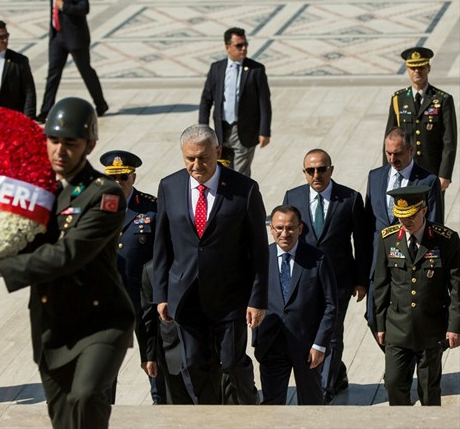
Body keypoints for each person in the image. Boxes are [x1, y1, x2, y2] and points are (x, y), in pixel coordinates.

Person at [0, 97, 133, 429]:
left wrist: (0, 268)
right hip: (52, 324)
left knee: (85, 398)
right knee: (64, 420)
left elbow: (69, 253)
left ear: (89, 145)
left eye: (71, 143)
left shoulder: (105, 194)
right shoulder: (38, 191)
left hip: (100, 322)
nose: (60, 151)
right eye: (53, 141)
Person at [153, 124, 268, 405]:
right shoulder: (169, 186)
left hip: (230, 296)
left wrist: (257, 300)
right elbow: (162, 245)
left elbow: (258, 250)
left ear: (217, 151)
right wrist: (161, 294)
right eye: (189, 158)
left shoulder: (244, 189)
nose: (196, 165)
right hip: (186, 295)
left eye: (203, 157)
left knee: (231, 362)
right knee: (193, 363)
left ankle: (249, 405)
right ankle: (209, 415)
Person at [282, 149, 370, 403]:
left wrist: (361, 280)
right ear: (304, 172)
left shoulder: (350, 199)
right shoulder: (293, 197)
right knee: (310, 331)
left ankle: (324, 388)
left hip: (339, 279)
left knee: (332, 333)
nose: (316, 175)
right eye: (310, 170)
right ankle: (337, 372)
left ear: (331, 170)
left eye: (321, 169)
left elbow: (362, 242)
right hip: (305, 280)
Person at [373, 186, 459, 406]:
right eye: (401, 216)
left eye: (411, 216)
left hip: (431, 328)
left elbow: (457, 287)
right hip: (397, 328)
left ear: (424, 210)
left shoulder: (446, 239)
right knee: (393, 383)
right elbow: (381, 286)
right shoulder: (387, 239)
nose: (405, 221)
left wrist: (454, 326)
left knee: (429, 391)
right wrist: (379, 325)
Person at [364, 127, 443, 341]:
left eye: (397, 153)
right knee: (373, 318)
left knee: (410, 321)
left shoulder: (428, 181)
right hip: (379, 264)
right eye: (388, 153)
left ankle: (399, 358)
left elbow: (434, 224)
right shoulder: (375, 177)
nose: (392, 159)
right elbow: (368, 225)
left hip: (410, 264)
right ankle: (395, 354)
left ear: (411, 150)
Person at [254, 205, 337, 405]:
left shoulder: (317, 259)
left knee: (311, 404)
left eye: (290, 228)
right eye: (279, 228)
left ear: (300, 229)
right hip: (271, 344)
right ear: (271, 229)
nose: (285, 233)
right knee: (272, 405)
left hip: (307, 347)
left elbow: (330, 306)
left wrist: (320, 344)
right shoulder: (259, 258)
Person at [99, 150, 158, 402]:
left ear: (133, 177)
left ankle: (161, 406)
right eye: (112, 178)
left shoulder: (151, 207)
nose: (118, 182)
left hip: (145, 300)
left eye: (123, 177)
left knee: (154, 363)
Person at [36, 0, 108, 123]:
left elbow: (84, 8)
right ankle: (45, 110)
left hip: (75, 38)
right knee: (53, 74)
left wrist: (64, 6)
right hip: (57, 37)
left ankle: (101, 104)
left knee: (86, 71)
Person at [198, 27, 271, 177]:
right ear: (228, 47)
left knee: (240, 174)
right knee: (222, 170)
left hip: (244, 130)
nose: (244, 48)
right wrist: (203, 129)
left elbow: (264, 102)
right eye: (239, 45)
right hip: (221, 130)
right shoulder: (217, 68)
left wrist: (264, 131)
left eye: (245, 44)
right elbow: (206, 100)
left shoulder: (256, 70)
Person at [384, 47, 456, 193]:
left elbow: (449, 141)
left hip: (431, 171)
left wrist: (445, 174)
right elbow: (389, 138)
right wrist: (386, 171)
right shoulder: (398, 99)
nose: (417, 71)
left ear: (428, 68)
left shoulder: (442, 99)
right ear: (407, 70)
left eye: (421, 67)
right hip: (404, 169)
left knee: (432, 207)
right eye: (413, 68)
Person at [140, 260, 193, 405]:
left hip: (204, 352)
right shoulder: (150, 270)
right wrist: (149, 356)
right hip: (171, 355)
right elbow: (148, 318)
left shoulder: (196, 261)